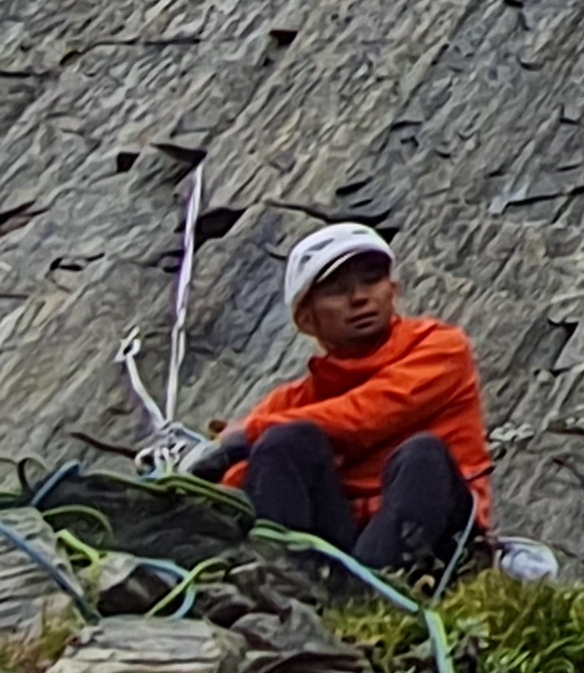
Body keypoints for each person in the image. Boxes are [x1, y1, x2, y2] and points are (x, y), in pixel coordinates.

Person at [190, 220, 493, 576]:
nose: (359, 298)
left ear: (392, 289)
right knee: (286, 443)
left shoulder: (441, 348)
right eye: (336, 290)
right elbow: (251, 473)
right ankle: (285, 579)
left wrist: (245, 435)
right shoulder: (293, 403)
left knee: (423, 455)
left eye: (371, 280)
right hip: (347, 540)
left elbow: (367, 414)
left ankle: (370, 592)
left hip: (438, 534)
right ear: (307, 319)